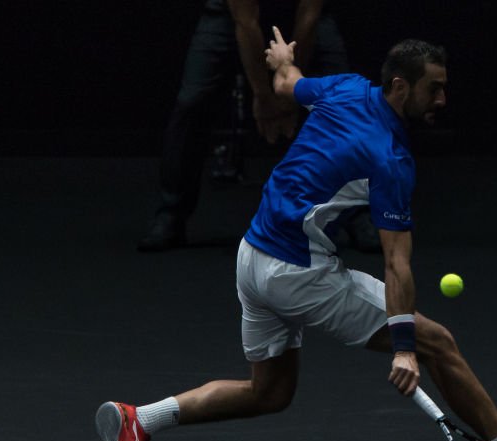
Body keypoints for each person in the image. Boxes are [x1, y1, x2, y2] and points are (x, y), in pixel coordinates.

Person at [98, 27, 497, 441]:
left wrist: (282, 60)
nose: (441, 100)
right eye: (433, 89)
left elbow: (287, 85)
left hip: (251, 257)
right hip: (298, 273)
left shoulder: (346, 87)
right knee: (436, 342)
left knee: (270, 392)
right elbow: (397, 263)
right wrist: (403, 348)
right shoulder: (390, 159)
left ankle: (139, 419)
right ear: (401, 86)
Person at [140, 0, 378, 252]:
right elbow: (246, 22)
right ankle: (171, 214)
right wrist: (263, 96)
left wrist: (293, 91)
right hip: (230, 15)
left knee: (345, 103)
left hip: (306, 15)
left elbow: (308, 18)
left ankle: (356, 212)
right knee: (191, 103)